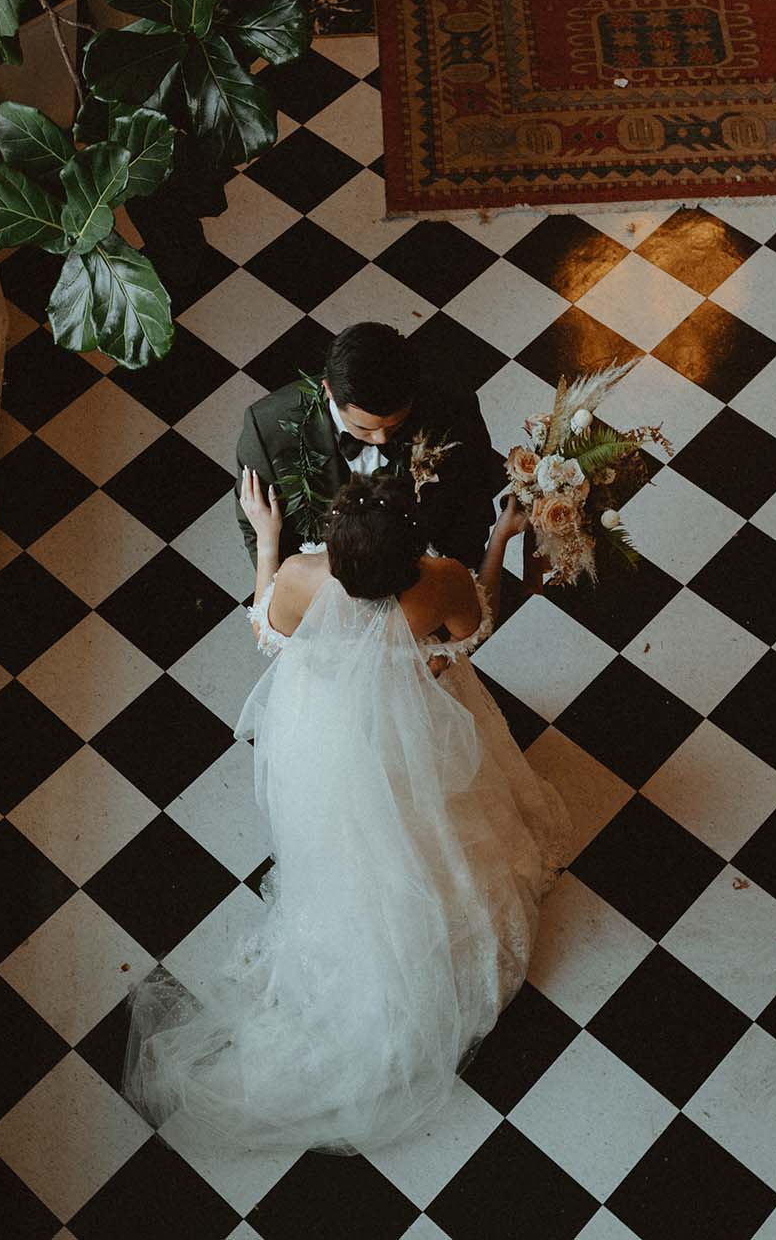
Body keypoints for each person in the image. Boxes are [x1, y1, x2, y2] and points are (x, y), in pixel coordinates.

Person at [122, 471, 571, 1154]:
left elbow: (264, 626)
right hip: (410, 732)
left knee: (351, 841)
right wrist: (502, 538)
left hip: (325, 734)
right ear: (410, 549)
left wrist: (268, 538)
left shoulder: (305, 577)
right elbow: (474, 628)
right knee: (430, 819)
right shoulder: (440, 580)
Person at [235, 322, 499, 568]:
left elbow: (475, 499)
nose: (382, 439)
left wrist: (454, 580)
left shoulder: (453, 406)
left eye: (395, 426)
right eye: (364, 428)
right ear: (329, 390)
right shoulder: (268, 429)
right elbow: (256, 527)